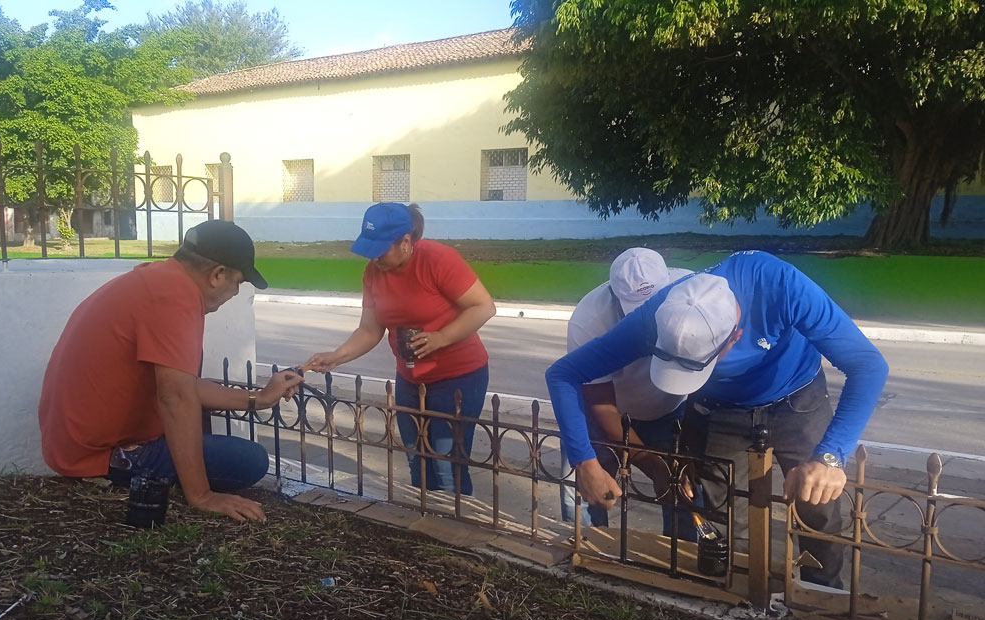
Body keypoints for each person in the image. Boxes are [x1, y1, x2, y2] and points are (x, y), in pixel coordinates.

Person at [546, 251, 888, 588]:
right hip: (719, 408)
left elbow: (869, 365)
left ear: (734, 337)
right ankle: (733, 601)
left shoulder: (779, 284)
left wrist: (831, 456)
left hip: (796, 397)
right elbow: (564, 374)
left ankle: (823, 597)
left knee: (818, 509)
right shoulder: (658, 313)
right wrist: (586, 462)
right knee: (721, 519)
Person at [39, 220, 305, 522]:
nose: (236, 292)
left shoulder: (158, 280)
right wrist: (202, 496)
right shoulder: (175, 297)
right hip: (101, 457)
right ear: (217, 274)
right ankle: (127, 469)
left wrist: (260, 398)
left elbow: (183, 385)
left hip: (74, 448)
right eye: (238, 282)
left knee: (227, 443)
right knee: (249, 460)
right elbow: (176, 397)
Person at [305, 202, 496, 495]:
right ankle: (425, 526)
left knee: (447, 464)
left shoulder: (438, 259)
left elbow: (483, 306)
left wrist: (441, 337)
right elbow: (370, 330)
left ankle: (456, 531)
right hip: (410, 378)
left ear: (406, 242)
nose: (373, 258)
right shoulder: (373, 273)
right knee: (416, 460)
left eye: (380, 249)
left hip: (459, 376)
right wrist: (336, 356)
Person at [559, 248, 699, 538]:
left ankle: (679, 564)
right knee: (587, 494)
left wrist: (683, 450)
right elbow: (601, 403)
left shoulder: (694, 294)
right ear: (614, 294)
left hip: (670, 409)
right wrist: (650, 462)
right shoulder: (589, 320)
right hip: (607, 415)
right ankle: (590, 554)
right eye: (637, 308)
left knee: (683, 492)